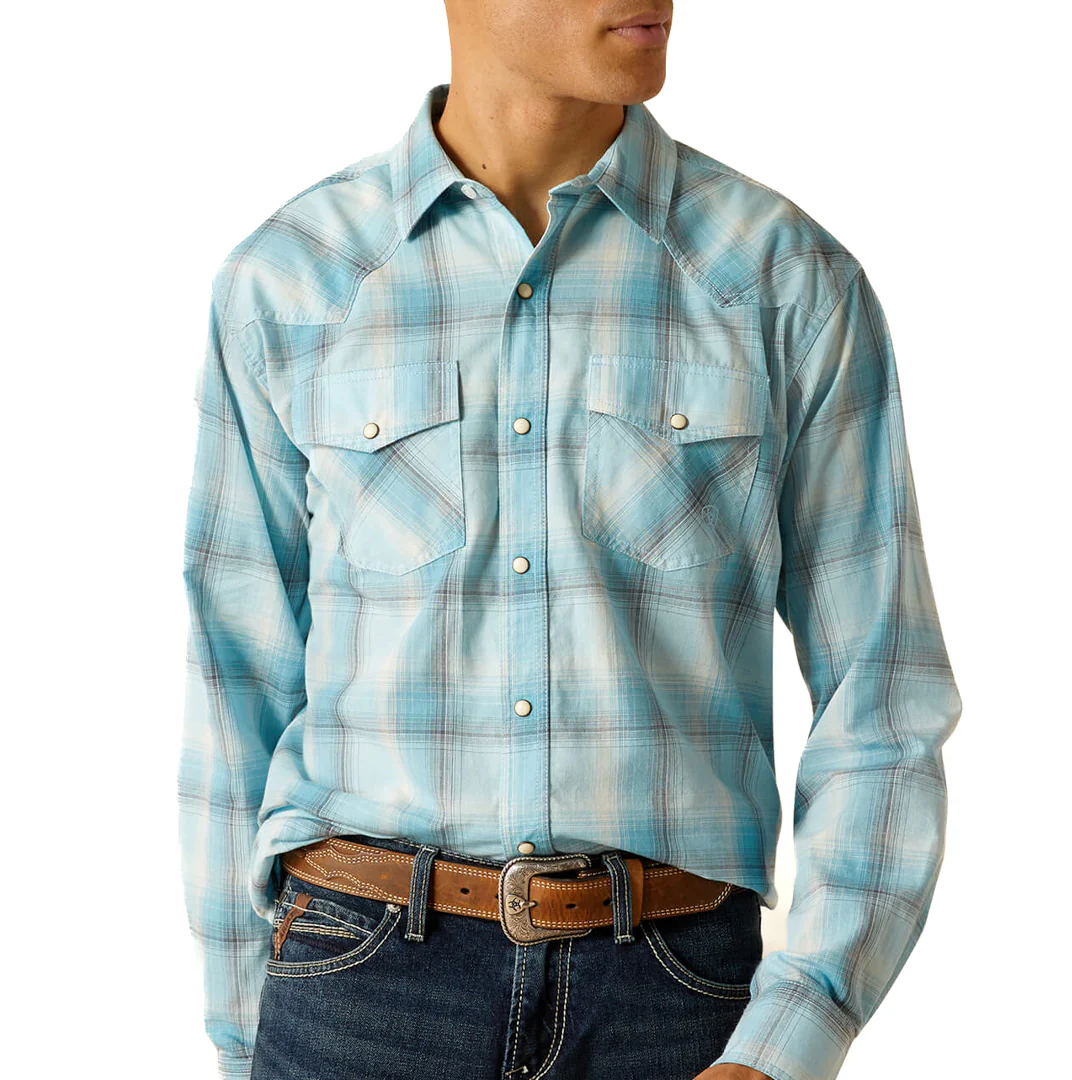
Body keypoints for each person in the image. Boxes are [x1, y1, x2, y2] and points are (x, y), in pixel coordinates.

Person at [178, 3, 962, 1079]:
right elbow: (237, 687)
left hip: (678, 1002)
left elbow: (886, 693)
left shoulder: (783, 281)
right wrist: (244, 1037)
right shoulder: (291, 282)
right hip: (356, 987)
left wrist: (795, 1034)